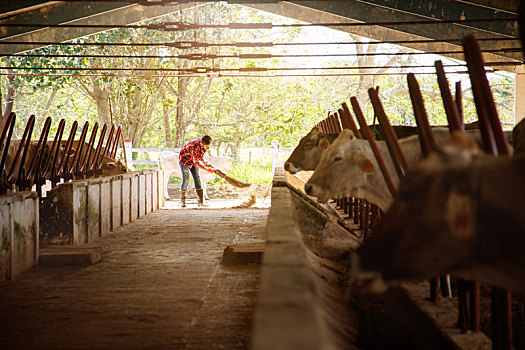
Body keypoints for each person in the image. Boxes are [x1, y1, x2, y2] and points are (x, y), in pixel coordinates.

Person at [178, 135, 215, 207]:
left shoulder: (204, 145)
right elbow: (196, 163)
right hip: (184, 160)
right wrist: (207, 169)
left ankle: (200, 202)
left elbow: (200, 156)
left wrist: (205, 163)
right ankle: (183, 201)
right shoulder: (194, 147)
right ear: (202, 144)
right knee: (186, 179)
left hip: (193, 160)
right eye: (207, 146)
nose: (208, 147)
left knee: (197, 178)